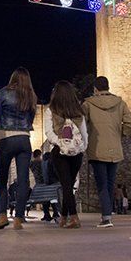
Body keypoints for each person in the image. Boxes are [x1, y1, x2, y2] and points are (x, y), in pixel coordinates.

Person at [82, 76, 131, 228]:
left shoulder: (88, 104)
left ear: (95, 89)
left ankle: (106, 218)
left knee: (102, 184)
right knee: (110, 184)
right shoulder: (121, 103)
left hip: (97, 148)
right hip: (115, 149)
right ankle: (108, 214)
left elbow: (81, 124)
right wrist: (120, 134)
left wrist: (87, 138)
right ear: (108, 87)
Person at [0, 67, 36, 230]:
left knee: (3, 179)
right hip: (24, 139)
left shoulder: (3, 93)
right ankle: (18, 218)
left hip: (7, 138)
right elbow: (31, 118)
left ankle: (3, 215)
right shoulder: (31, 95)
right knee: (23, 180)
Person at [44, 80, 88, 229]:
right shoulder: (78, 111)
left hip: (59, 151)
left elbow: (49, 132)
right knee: (68, 185)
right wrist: (83, 147)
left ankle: (74, 218)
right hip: (76, 152)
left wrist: (60, 142)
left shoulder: (51, 110)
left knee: (66, 184)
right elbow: (84, 133)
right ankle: (63, 217)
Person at [41, 151, 60, 221]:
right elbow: (55, 171)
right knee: (54, 198)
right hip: (53, 183)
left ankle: (47, 214)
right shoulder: (51, 162)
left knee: (46, 200)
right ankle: (55, 213)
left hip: (45, 184)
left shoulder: (43, 163)